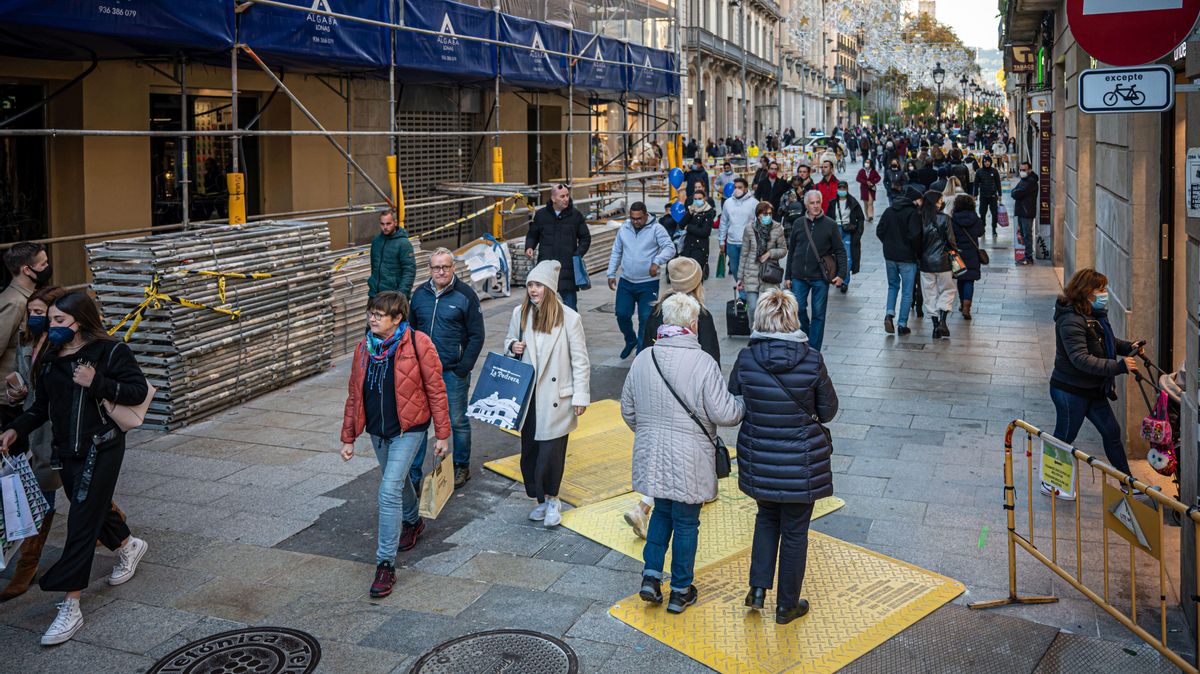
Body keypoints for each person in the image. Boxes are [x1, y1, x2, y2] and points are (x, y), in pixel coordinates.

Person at [0, 291, 150, 646]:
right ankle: (129, 545)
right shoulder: (51, 357)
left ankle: (71, 604)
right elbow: (41, 407)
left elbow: (136, 390)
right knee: (91, 508)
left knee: (82, 522)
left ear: (79, 321)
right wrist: (15, 428)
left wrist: (96, 382)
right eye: (49, 320)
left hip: (103, 446)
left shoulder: (110, 351)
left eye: (57, 321)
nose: (49, 326)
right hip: (66, 452)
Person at [623, 293, 743, 615]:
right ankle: (679, 590)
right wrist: (743, 403)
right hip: (691, 459)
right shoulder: (703, 363)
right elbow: (725, 413)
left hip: (653, 455)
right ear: (692, 325)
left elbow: (628, 410)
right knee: (687, 522)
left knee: (661, 512)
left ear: (664, 324)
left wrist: (650, 433)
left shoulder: (643, 358)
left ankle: (650, 577)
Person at [729, 288, 837, 625]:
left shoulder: (746, 359)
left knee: (766, 518)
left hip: (760, 459)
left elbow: (734, 397)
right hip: (802, 465)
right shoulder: (812, 359)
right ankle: (787, 605)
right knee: (794, 532)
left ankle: (758, 588)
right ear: (793, 318)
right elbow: (828, 410)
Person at [340, 291, 451, 599]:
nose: (372, 318)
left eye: (379, 314)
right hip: (378, 431)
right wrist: (348, 437)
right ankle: (413, 522)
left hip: (409, 430)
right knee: (398, 481)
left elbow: (436, 390)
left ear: (398, 318)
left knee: (388, 490)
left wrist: (442, 434)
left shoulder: (418, 344)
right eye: (371, 313)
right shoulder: (364, 348)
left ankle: (385, 564)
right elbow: (354, 395)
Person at [505, 261, 591, 528]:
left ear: (549, 289)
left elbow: (580, 361)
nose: (532, 289)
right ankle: (539, 499)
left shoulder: (570, 318)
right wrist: (512, 345)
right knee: (529, 450)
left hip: (557, 398)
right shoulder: (520, 313)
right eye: (530, 284)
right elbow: (508, 343)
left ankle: (553, 499)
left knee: (551, 454)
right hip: (528, 398)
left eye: (538, 285)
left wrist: (580, 396)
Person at [1049, 269, 1144, 496]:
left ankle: (1127, 483)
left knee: (1112, 432)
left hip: (1092, 389)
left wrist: (1129, 346)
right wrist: (1118, 367)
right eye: (1100, 289)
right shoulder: (1071, 320)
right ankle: (1050, 482)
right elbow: (1080, 359)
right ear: (1087, 292)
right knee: (1065, 436)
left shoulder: (1093, 316)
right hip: (1070, 390)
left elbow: (1105, 342)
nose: (1105, 293)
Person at [0, 285, 64, 601]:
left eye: (41, 313)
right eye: (32, 312)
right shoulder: (28, 341)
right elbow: (24, 383)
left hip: (58, 430)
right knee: (55, 487)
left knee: (46, 493)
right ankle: (114, 529)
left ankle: (26, 567)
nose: (34, 318)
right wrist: (18, 392)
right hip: (34, 427)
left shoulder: (62, 344)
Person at [408, 249, 486, 489]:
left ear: (453, 268)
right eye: (436, 267)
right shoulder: (419, 295)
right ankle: (414, 475)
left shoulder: (466, 295)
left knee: (457, 420)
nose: (440, 271)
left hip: (452, 372)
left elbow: (477, 335)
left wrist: (463, 368)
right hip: (422, 373)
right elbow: (410, 332)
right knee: (420, 424)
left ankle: (461, 466)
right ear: (429, 269)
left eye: (445, 267)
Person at [606, 202, 674, 359]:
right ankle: (630, 340)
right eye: (632, 218)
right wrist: (611, 273)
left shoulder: (656, 229)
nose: (635, 221)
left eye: (639, 218)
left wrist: (657, 262)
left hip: (647, 283)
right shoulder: (625, 228)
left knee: (645, 318)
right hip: (626, 281)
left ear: (645, 215)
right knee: (622, 314)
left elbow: (670, 248)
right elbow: (616, 250)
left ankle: (641, 353)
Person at [783, 191, 847, 351]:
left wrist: (841, 275)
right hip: (799, 276)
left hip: (820, 277)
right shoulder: (798, 223)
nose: (816, 206)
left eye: (818, 202)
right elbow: (792, 250)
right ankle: (805, 340)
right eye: (812, 203)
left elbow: (840, 250)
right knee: (800, 309)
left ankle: (813, 350)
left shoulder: (830, 224)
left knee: (818, 314)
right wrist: (788, 275)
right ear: (806, 205)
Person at [640, 256, 720, 361]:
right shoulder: (701, 315)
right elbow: (711, 356)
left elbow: (647, 347)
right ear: (698, 283)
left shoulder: (658, 309)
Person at [525, 184, 591, 310]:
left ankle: (571, 329)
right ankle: (545, 329)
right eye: (562, 196)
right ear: (553, 198)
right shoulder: (541, 215)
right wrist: (530, 247)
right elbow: (533, 235)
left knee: (570, 308)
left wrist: (577, 254)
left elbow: (585, 238)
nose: (566, 199)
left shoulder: (575, 215)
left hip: (567, 268)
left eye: (567, 195)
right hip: (545, 268)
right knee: (542, 307)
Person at [876, 185, 924, 336]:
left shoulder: (889, 211)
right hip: (907, 257)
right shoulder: (913, 213)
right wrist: (915, 251)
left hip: (890, 255)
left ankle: (889, 314)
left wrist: (888, 243)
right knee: (907, 291)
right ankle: (902, 324)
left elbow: (879, 230)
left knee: (892, 286)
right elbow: (915, 236)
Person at [736, 202, 787, 325]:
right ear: (758, 215)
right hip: (751, 271)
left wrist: (770, 253)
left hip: (769, 272)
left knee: (769, 309)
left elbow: (783, 250)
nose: (767, 216)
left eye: (770, 214)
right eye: (765, 214)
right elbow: (744, 253)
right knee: (753, 307)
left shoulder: (777, 228)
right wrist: (740, 277)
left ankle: (767, 334)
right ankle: (753, 333)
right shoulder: (749, 229)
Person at [917, 190, 958, 339]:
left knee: (929, 294)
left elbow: (917, 241)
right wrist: (954, 252)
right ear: (935, 202)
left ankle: (935, 326)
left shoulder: (920, 219)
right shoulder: (945, 219)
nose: (942, 203)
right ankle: (943, 321)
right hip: (943, 262)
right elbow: (951, 241)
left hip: (926, 263)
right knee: (948, 290)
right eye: (940, 201)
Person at [949, 195, 985, 321]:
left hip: (957, 253)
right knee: (970, 280)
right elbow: (981, 232)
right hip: (972, 253)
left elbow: (950, 235)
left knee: (960, 278)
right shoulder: (975, 218)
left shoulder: (953, 219)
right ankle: (966, 307)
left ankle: (961, 303)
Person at [825, 180, 865, 295]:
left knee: (848, 257)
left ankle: (845, 281)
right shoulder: (833, 203)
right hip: (835, 230)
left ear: (847, 189)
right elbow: (828, 218)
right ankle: (837, 277)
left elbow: (860, 218)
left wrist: (858, 232)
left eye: (844, 188)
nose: (841, 190)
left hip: (848, 230)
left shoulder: (853, 202)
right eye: (840, 188)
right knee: (835, 256)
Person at [368, 210, 416, 299]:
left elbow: (409, 271)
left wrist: (402, 295)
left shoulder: (404, 243)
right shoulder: (376, 242)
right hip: (374, 295)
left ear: (395, 222)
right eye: (382, 224)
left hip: (393, 297)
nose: (385, 227)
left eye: (388, 223)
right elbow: (374, 267)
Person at [719, 177, 758, 284]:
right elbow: (723, 222)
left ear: (746, 189)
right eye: (735, 187)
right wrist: (721, 240)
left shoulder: (754, 203)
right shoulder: (728, 203)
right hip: (731, 243)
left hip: (747, 243)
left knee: (746, 270)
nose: (737, 189)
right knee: (734, 269)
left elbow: (757, 223)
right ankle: (742, 290)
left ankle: (743, 295)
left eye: (740, 187)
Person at [678, 186, 716, 279]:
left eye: (699, 199)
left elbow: (705, 232)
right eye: (695, 199)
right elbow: (681, 224)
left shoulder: (709, 212)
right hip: (687, 246)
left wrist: (689, 227)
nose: (697, 201)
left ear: (705, 198)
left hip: (700, 248)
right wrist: (689, 213)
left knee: (696, 275)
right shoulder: (692, 209)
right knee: (686, 274)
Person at [1010, 161, 1038, 266]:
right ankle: (1026, 256)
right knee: (1023, 234)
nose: (1022, 172)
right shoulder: (1024, 180)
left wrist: (1015, 192)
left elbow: (1017, 193)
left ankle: (1029, 257)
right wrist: (1015, 192)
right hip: (1022, 211)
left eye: (1024, 170)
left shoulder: (1031, 181)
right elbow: (1014, 191)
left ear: (1029, 170)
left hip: (1027, 211)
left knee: (1027, 235)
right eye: (1020, 170)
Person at [974, 155, 1002, 236]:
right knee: (982, 213)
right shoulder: (979, 172)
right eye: (985, 161)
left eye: (988, 161)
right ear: (983, 162)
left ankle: (994, 229)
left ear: (991, 162)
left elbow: (998, 183)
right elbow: (976, 184)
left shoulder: (994, 171)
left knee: (994, 213)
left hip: (993, 196)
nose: (987, 163)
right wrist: (975, 195)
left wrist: (1000, 194)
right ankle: (983, 228)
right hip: (983, 196)